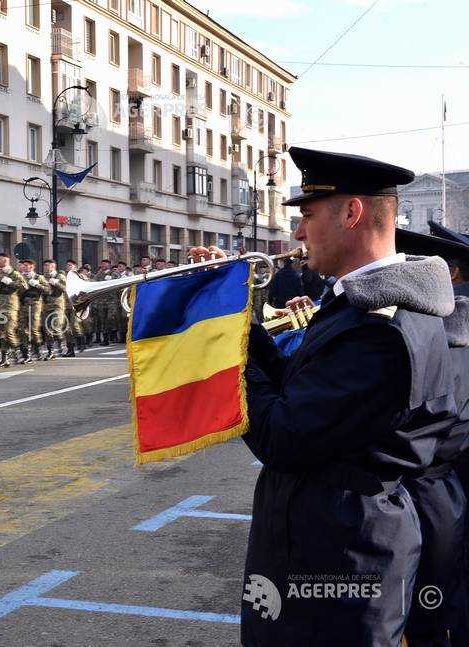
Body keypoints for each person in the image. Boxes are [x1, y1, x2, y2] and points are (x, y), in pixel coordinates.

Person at [196, 147, 460, 646]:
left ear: (352, 212)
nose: (298, 233)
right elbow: (297, 387)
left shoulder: (380, 326)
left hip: (338, 549)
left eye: (308, 215)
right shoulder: (363, 304)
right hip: (328, 535)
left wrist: (227, 341)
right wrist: (236, 320)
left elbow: (283, 436)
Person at [392, 228, 469, 645]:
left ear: (451, 276)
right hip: (442, 501)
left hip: (429, 504)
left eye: (416, 267)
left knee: (428, 619)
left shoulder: (446, 341)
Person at [0, 253, 27, 367]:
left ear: (6, 260)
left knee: (9, 331)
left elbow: (24, 287)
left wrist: (11, 283)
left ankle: (20, 351)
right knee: (1, 333)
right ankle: (4, 358)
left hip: (10, 306)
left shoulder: (14, 273)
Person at [16, 259, 49, 363]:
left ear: (32, 267)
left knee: (33, 329)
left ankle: (38, 350)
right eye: (23, 265)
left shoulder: (39, 277)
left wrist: (37, 285)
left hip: (35, 305)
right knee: (22, 329)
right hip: (22, 305)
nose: (25, 267)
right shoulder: (20, 277)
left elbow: (48, 290)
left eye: (27, 265)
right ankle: (26, 354)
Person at [42, 259, 68, 359]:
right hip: (46, 305)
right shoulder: (43, 277)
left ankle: (63, 346)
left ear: (53, 266)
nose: (46, 267)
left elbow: (66, 289)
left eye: (48, 265)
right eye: (45, 266)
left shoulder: (60, 276)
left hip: (57, 305)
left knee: (56, 326)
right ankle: (50, 351)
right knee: (47, 329)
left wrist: (57, 283)